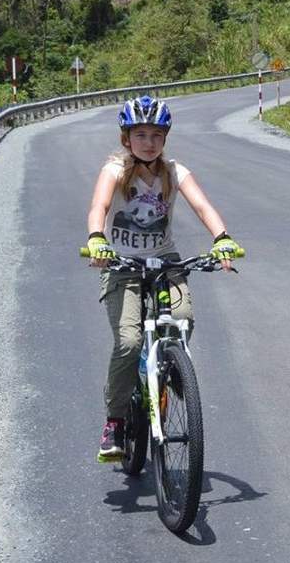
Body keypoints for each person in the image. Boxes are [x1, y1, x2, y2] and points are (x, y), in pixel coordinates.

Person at [84, 95, 242, 462]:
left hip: (165, 262)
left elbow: (202, 206)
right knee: (128, 341)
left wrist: (222, 239)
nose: (149, 142)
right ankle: (116, 421)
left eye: (156, 134)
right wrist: (96, 240)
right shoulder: (115, 170)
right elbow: (100, 207)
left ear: (165, 137)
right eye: (140, 134)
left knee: (182, 321)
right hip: (122, 263)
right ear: (127, 138)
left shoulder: (174, 172)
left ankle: (170, 371)